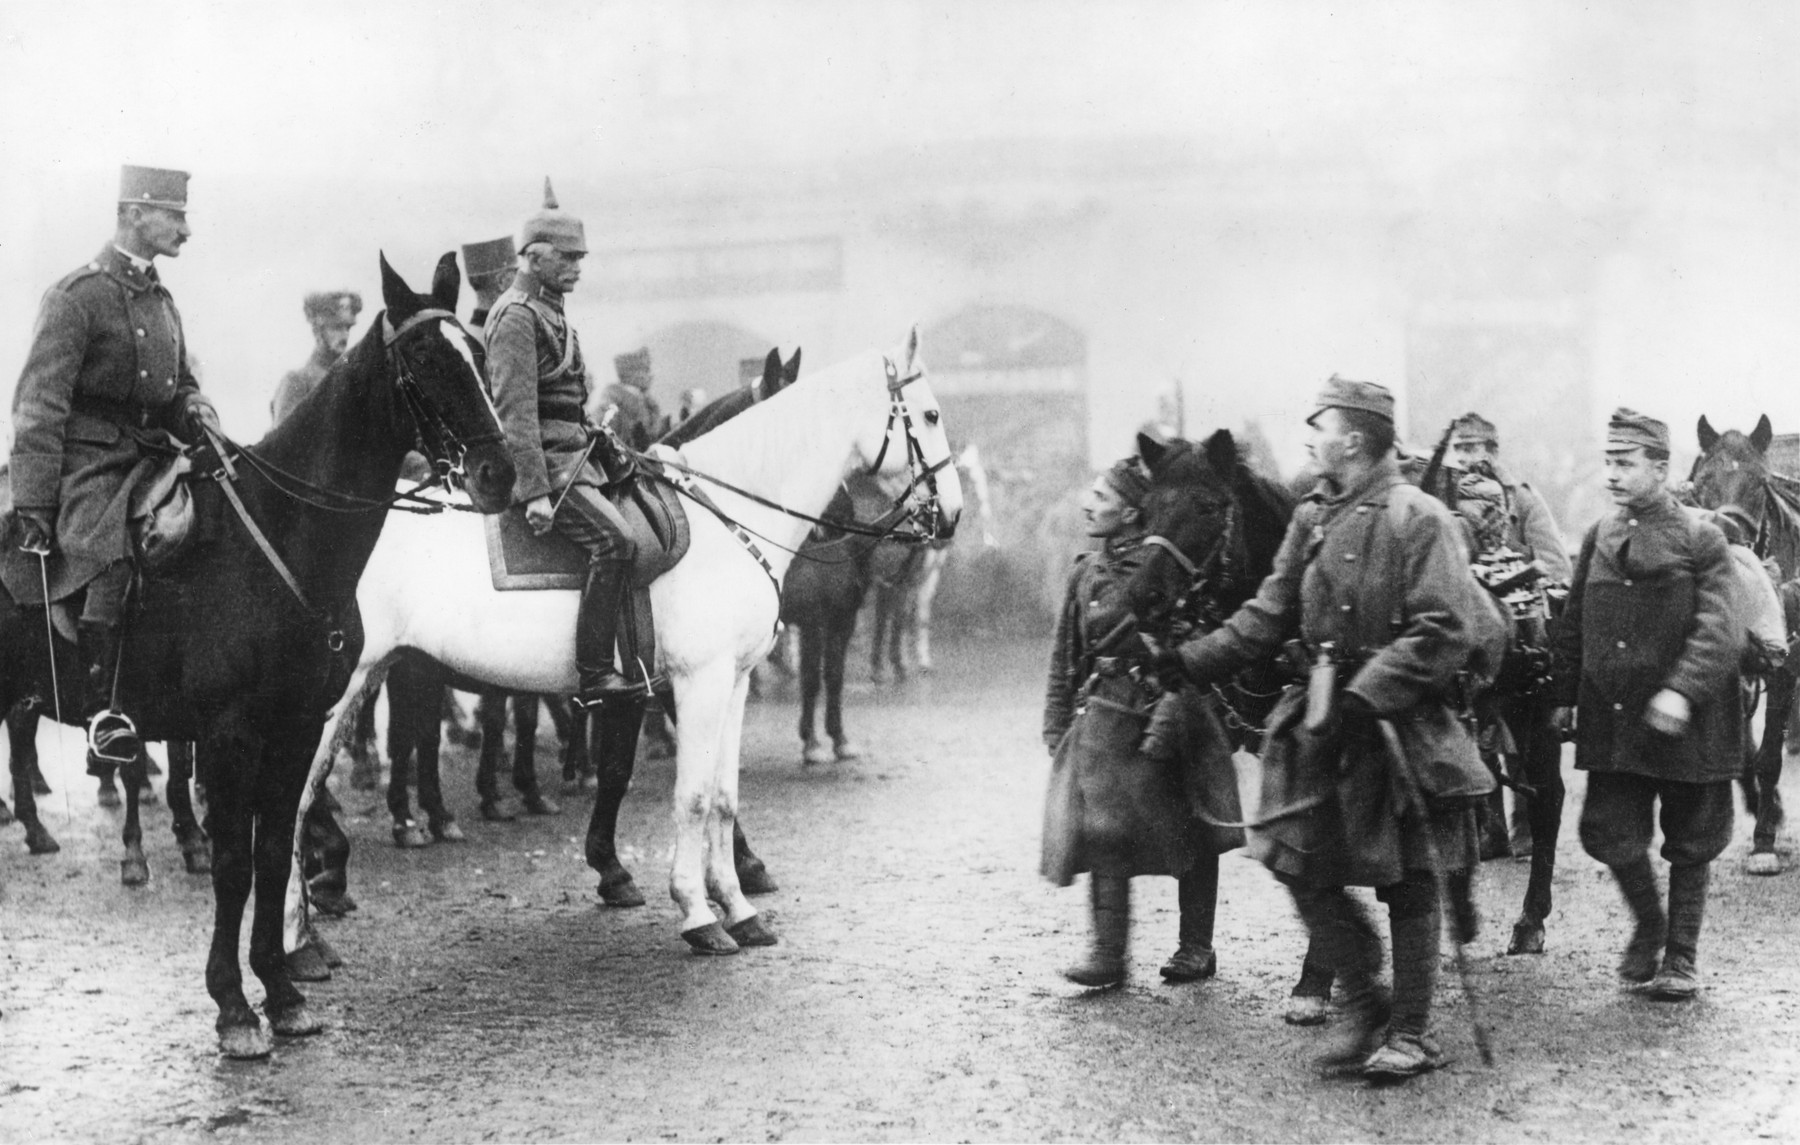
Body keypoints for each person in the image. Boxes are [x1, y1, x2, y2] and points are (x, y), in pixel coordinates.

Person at [1152, 376, 1496, 1079]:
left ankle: (1411, 1031)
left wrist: (1368, 694)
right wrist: (1190, 660)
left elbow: (1445, 627)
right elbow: (1267, 612)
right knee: (1295, 859)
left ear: (1358, 440)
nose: (1312, 439)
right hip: (1319, 720)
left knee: (1409, 879)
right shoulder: (1311, 518)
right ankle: (1365, 998)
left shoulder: (1418, 516)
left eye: (1323, 427)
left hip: (1399, 723)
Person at [10, 164, 220, 770]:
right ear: (133, 213)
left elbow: (177, 387)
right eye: (174, 216)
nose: (185, 229)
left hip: (150, 455)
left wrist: (198, 410)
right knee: (112, 548)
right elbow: (39, 404)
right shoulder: (76, 297)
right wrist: (35, 505)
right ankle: (102, 710)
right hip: (88, 463)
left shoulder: (162, 301)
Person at [1551, 408, 1741, 1000]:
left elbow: (1720, 628)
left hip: (1689, 719)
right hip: (1615, 717)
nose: (1612, 474)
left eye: (1625, 463)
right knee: (1608, 831)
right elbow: (1574, 620)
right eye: (1608, 462)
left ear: (1660, 468)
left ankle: (1680, 958)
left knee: (1693, 836)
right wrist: (1563, 695)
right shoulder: (1599, 536)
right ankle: (1649, 923)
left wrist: (1682, 690)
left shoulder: (1701, 538)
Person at [1041, 458, 1243, 990]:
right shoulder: (1086, 571)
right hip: (1105, 716)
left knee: (1191, 828)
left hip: (1167, 713)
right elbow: (1067, 655)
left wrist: (1174, 713)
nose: (1088, 502)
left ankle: (1195, 947)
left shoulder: (1171, 569)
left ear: (1132, 512)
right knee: (1103, 831)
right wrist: (1057, 721)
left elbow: (1195, 642)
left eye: (1101, 496)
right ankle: (1108, 954)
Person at [485, 178, 639, 708]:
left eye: (580, 257)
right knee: (616, 542)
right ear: (533, 258)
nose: (577, 266)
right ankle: (594, 672)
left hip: (576, 458)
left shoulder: (551, 312)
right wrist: (534, 493)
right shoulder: (515, 317)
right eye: (567, 256)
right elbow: (517, 414)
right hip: (549, 469)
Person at [1443, 412, 1573, 955]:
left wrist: (1508, 570)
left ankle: (1534, 908)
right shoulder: (1433, 499)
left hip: (1519, 632)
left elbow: (1556, 564)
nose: (1472, 454)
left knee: (1541, 766)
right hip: (1454, 635)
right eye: (1462, 445)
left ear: (1496, 448)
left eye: (1480, 445)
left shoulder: (1521, 498)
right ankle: (1459, 882)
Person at [270, 290, 362, 424]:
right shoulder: (298, 381)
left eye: (347, 328)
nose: (344, 336)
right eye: (336, 328)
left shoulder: (353, 380)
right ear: (318, 331)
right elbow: (282, 441)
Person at [600, 347, 668, 450]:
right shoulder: (612, 407)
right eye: (646, 370)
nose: (651, 376)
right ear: (631, 375)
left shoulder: (646, 401)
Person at [462, 234, 518, 332]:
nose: (519, 279)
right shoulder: (505, 334)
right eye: (515, 272)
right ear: (501, 281)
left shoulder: (469, 336)